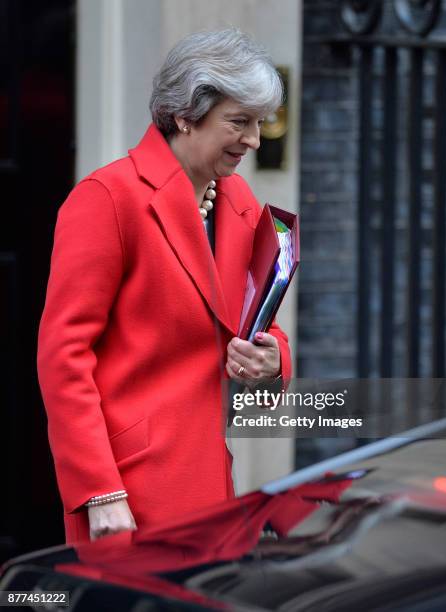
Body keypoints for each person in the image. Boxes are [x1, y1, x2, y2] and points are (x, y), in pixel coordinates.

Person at [37, 28, 292, 543]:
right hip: (129, 492)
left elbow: (255, 320)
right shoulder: (107, 198)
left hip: (211, 479)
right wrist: (99, 492)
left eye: (258, 124)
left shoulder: (238, 201)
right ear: (185, 115)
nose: (254, 141)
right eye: (238, 122)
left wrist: (274, 360)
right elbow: (63, 355)